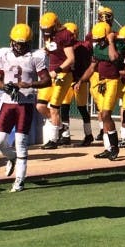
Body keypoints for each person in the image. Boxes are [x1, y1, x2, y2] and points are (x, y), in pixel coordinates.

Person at [0, 24, 51, 191]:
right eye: (18, 44)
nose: (21, 47)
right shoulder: (2, 54)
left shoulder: (35, 56)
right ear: (11, 42)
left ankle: (20, 179)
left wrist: (29, 84)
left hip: (25, 103)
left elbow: (47, 80)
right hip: (7, 102)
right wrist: (4, 87)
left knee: (21, 142)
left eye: (24, 44)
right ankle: (11, 158)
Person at [75, 21, 124, 160]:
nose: (98, 42)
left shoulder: (117, 45)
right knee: (103, 115)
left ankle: (114, 147)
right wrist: (80, 80)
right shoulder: (97, 48)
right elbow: (91, 67)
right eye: (97, 40)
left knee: (107, 114)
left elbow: (114, 57)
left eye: (101, 39)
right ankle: (108, 148)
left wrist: (110, 41)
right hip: (101, 82)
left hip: (113, 81)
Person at [36, 12, 75, 150]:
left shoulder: (65, 35)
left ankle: (53, 139)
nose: (46, 32)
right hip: (51, 74)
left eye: (48, 29)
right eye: (44, 30)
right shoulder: (49, 36)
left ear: (56, 25)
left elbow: (70, 59)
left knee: (54, 108)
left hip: (62, 74)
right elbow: (51, 49)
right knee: (40, 106)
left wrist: (56, 71)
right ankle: (59, 125)